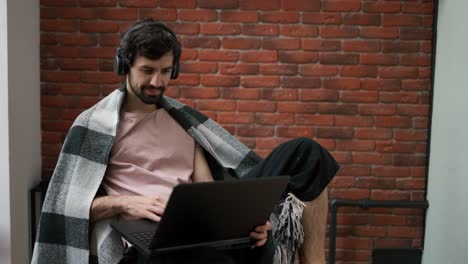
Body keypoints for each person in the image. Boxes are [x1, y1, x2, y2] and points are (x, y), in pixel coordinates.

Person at [32, 19, 339, 264]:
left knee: (306, 153)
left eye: (166, 71)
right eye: (147, 71)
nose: (157, 82)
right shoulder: (95, 125)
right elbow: (65, 206)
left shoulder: (183, 121)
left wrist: (247, 219)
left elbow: (206, 189)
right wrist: (124, 202)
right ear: (124, 66)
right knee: (198, 251)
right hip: (150, 239)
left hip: (199, 225)